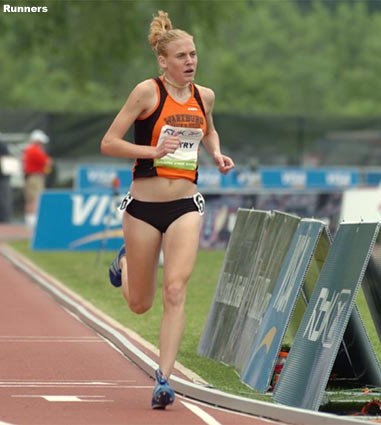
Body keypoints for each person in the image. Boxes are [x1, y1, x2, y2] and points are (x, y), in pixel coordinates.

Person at [100, 10, 234, 410]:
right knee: (140, 303)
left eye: (193, 54)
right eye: (181, 56)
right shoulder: (147, 92)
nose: (190, 62)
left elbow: (208, 128)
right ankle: (124, 264)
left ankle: (163, 378)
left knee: (175, 289)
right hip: (142, 208)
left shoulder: (203, 96)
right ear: (163, 60)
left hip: (185, 206)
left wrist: (216, 154)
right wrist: (151, 151)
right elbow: (109, 142)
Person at [22, 129, 52, 228]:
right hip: (35, 177)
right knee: (36, 199)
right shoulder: (34, 150)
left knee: (31, 199)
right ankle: (33, 222)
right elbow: (47, 162)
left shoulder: (28, 149)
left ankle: (29, 220)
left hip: (30, 177)